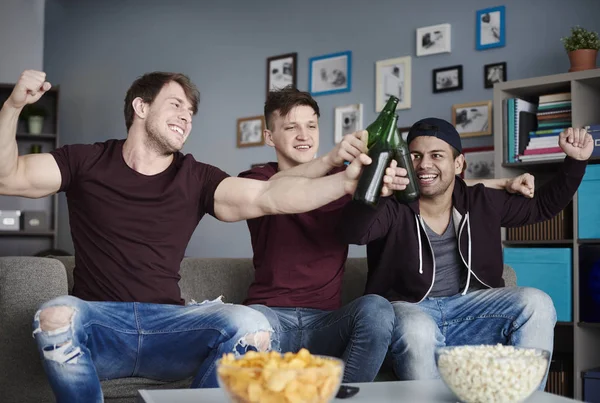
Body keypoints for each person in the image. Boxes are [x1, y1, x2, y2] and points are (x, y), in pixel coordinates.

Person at [0, 70, 388, 403]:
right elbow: (8, 175)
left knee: (249, 324)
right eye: (176, 105)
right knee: (54, 315)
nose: (186, 116)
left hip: (170, 327)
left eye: (190, 111)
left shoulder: (197, 176)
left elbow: (268, 195)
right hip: (103, 326)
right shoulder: (84, 161)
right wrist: (13, 106)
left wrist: (345, 180)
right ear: (141, 107)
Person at [238, 88, 537, 383]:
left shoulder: (345, 181)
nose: (304, 135)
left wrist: (500, 182)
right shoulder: (256, 181)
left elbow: (431, 182)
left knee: (377, 308)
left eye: (311, 126)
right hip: (269, 315)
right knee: (246, 332)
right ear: (269, 136)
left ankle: (346, 396)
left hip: (326, 319)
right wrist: (331, 162)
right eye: (291, 127)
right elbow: (273, 191)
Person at [339, 117, 593, 387]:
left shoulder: (481, 200)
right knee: (417, 329)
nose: (424, 164)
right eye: (415, 156)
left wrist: (575, 163)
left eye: (437, 155)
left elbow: (541, 207)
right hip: (409, 311)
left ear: (458, 164)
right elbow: (352, 233)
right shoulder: (391, 205)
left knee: (537, 303)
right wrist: (376, 192)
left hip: (471, 311)